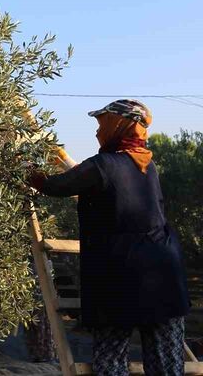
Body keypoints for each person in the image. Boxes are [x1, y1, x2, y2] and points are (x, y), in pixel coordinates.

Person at [28, 99, 189, 375]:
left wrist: (25, 170)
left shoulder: (102, 165)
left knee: (111, 359)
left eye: (103, 124)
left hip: (121, 276)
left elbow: (55, 185)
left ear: (120, 125)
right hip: (164, 274)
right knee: (166, 362)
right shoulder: (147, 166)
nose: (98, 131)